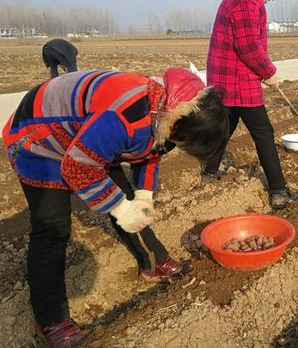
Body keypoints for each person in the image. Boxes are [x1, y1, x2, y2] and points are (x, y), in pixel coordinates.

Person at [2, 67, 228, 347]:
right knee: (53, 228)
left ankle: (153, 263)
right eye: (183, 144)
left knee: (129, 200)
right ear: (174, 124)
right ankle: (50, 319)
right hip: (38, 135)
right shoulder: (124, 117)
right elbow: (77, 166)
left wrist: (144, 194)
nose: (177, 149)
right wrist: (120, 207)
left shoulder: (171, 111)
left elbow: (151, 152)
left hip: (86, 134)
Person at [203, 0, 298, 209]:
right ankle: (278, 190)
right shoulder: (246, 0)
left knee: (227, 125)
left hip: (226, 76)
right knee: (263, 132)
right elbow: (248, 46)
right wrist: (269, 72)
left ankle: (209, 173)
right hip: (237, 78)